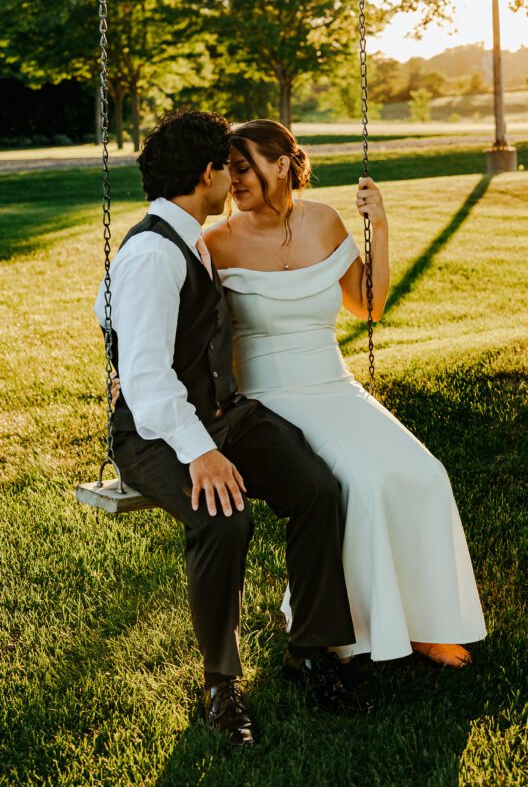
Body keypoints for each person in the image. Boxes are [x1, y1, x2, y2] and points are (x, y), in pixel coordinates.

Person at [94, 110, 365, 749]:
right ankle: (221, 684)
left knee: (316, 489)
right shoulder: (155, 253)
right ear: (207, 172)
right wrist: (201, 455)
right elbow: (148, 383)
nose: (234, 179)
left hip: (221, 414)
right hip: (155, 434)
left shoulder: (190, 237)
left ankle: (312, 650)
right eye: (229, 166)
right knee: (224, 518)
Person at [204, 119, 486, 668]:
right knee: (359, 479)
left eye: (243, 167)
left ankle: (425, 624)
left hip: (334, 385)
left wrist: (379, 225)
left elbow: (369, 306)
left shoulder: (325, 222)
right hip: (268, 399)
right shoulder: (217, 241)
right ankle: (345, 632)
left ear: (282, 163)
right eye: (228, 170)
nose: (232, 181)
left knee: (426, 473)